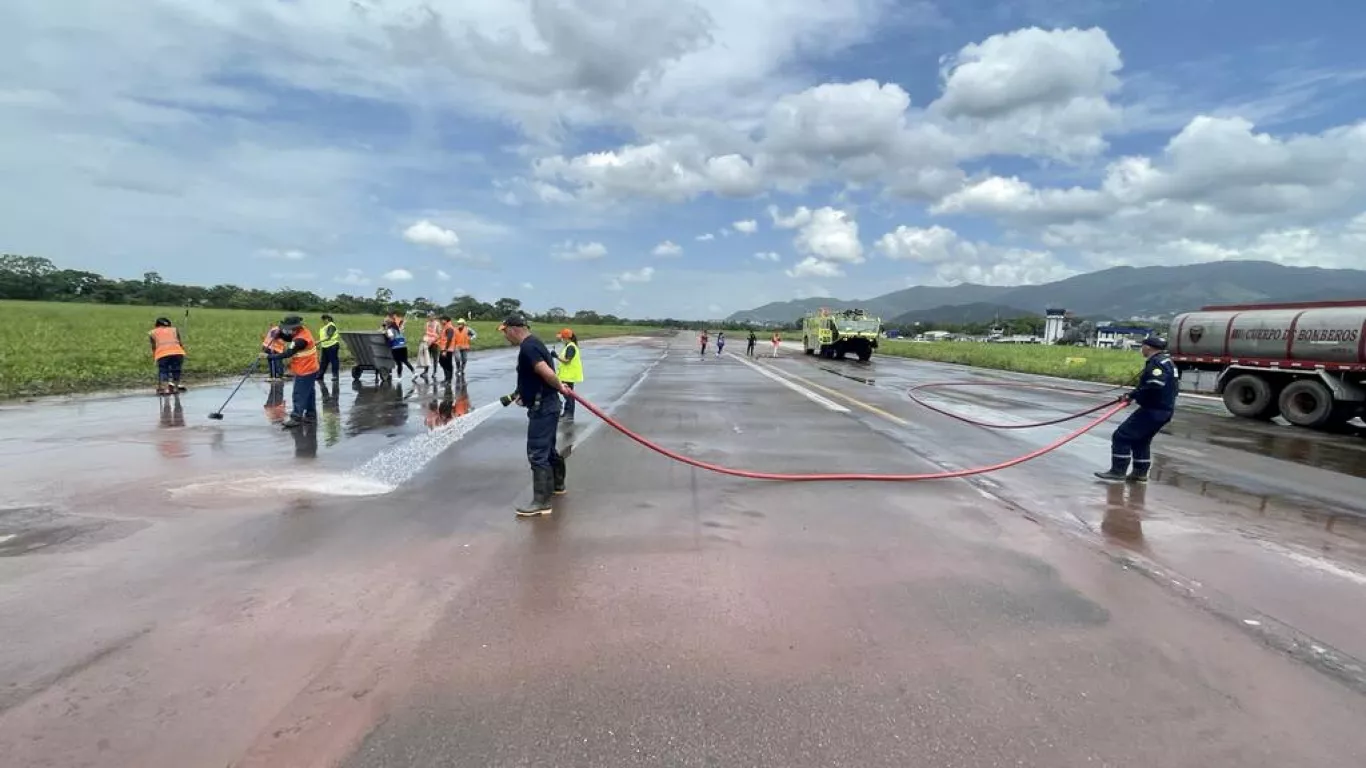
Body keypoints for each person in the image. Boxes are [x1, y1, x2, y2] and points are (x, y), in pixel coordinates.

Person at [499, 315, 569, 517]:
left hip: (543, 408)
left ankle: (541, 502)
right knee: (547, 450)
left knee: (537, 453)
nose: (505, 336)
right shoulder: (535, 342)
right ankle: (558, 485)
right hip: (547, 405)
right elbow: (535, 376)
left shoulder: (528, 347)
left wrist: (559, 387)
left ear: (514, 329)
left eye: (505, 331)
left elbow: (545, 372)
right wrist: (524, 392)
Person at [1095, 336, 1178, 483]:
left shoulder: (1157, 363)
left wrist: (1135, 395)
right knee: (1141, 440)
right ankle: (1140, 473)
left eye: (1143, 346)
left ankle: (1118, 471)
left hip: (1153, 410)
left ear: (1148, 347)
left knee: (1122, 436)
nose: (1142, 349)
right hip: (1163, 410)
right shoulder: (1166, 361)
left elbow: (1155, 385)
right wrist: (1132, 395)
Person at [266, 315, 321, 429]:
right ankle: (311, 415)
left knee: (299, 394)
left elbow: (288, 353)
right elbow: (290, 337)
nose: (286, 330)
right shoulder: (302, 331)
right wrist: (280, 335)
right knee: (309, 394)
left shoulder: (300, 340)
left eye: (287, 328)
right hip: (311, 368)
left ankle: (296, 417)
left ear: (294, 328)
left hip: (305, 369)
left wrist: (270, 356)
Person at [149, 317, 186, 395]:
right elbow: (180, 342)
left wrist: (155, 356)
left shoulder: (152, 332)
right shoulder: (174, 330)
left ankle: (166, 390)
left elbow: (153, 346)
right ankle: (175, 388)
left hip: (162, 354)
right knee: (176, 370)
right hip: (178, 353)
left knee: (163, 371)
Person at [555, 328, 583, 423]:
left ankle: (569, 414)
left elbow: (567, 361)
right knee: (568, 396)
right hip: (566, 375)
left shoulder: (571, 347)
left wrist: (556, 356)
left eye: (562, 337)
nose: (561, 339)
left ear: (566, 338)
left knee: (569, 396)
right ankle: (567, 413)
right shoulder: (569, 346)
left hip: (568, 376)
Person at [317, 314, 341, 379]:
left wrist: (318, 342)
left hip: (332, 345)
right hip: (325, 346)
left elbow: (329, 336)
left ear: (327, 319)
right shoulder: (325, 327)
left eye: (324, 320)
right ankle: (320, 375)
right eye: (322, 320)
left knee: (334, 361)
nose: (323, 321)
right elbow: (323, 336)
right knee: (323, 362)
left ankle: (335, 375)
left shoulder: (331, 326)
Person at [420, 311, 440, 379]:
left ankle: (435, 372)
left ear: (434, 316)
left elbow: (439, 334)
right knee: (427, 357)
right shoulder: (427, 323)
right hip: (427, 342)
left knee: (435, 358)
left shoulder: (437, 324)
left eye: (430, 316)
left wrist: (434, 340)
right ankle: (425, 371)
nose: (429, 317)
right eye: (428, 316)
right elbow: (425, 332)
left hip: (434, 343)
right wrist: (423, 339)